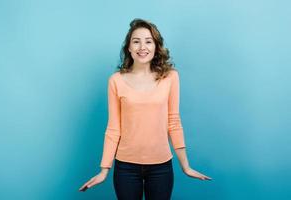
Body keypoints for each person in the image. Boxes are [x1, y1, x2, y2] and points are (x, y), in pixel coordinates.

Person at [79, 18, 212, 199]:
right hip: (125, 167)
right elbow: (113, 128)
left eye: (148, 41)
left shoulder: (170, 77)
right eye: (136, 41)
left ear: (156, 46)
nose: (143, 47)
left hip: (161, 167)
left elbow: (173, 122)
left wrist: (185, 166)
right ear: (129, 48)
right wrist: (104, 171)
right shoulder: (116, 81)